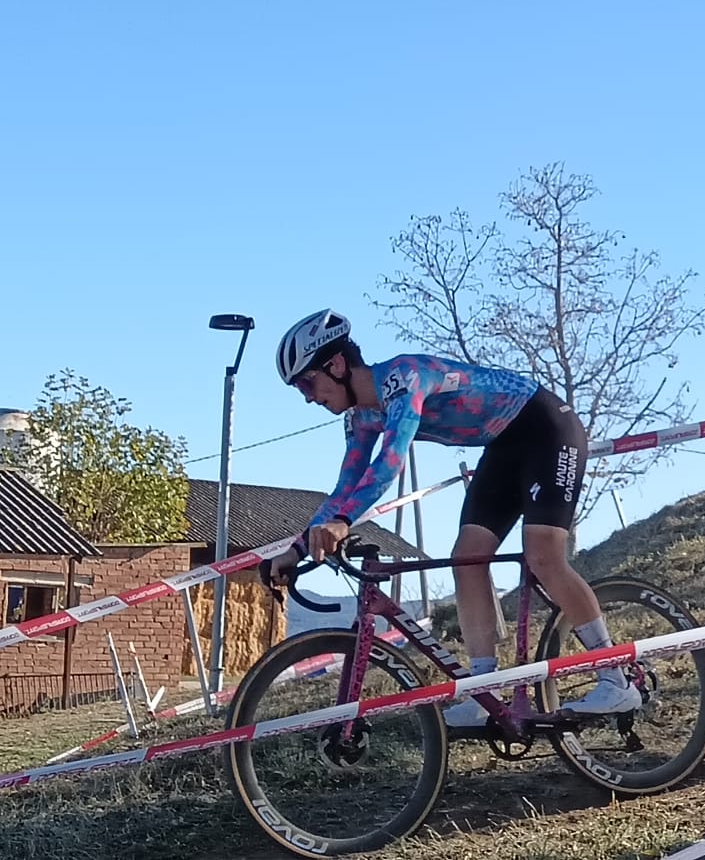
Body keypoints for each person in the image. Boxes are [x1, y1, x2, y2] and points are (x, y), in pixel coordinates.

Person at [262, 309, 640, 726]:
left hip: (546, 428)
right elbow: (344, 489)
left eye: (306, 382)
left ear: (335, 365)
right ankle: (484, 692)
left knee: (544, 556)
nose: (307, 396)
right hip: (503, 447)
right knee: (467, 558)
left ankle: (616, 678)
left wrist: (343, 522)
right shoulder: (361, 417)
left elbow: (390, 463)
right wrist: (296, 548)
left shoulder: (404, 379)